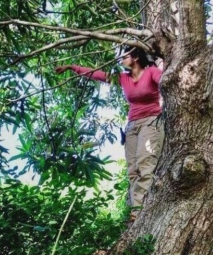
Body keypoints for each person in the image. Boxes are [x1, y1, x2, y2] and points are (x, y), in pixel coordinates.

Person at [55, 46, 164, 217]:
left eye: (124, 57)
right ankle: (136, 208)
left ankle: (141, 211)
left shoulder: (151, 71)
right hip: (132, 126)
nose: (121, 60)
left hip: (151, 121)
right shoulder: (123, 78)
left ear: (135, 58)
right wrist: (72, 67)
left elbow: (164, 80)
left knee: (145, 163)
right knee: (132, 169)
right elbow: (98, 74)